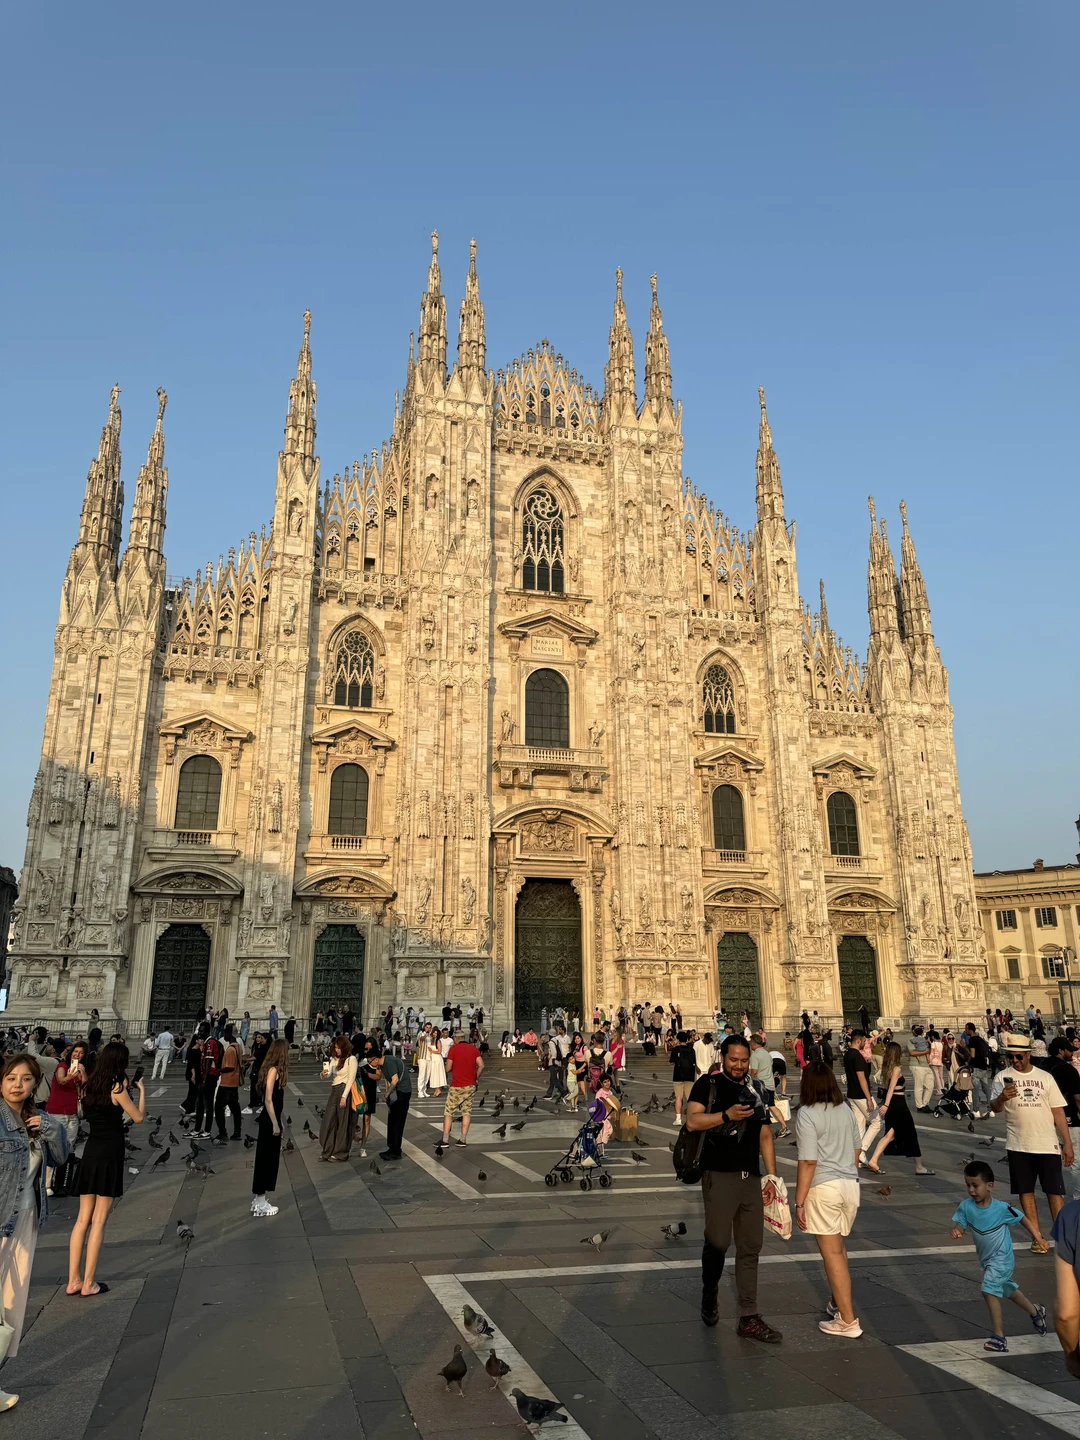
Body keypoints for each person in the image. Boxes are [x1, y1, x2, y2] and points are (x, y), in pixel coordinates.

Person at [685, 1034, 782, 1344]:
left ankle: (748, 1315)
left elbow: (765, 1135)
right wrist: (725, 1116)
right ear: (723, 1057)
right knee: (717, 1243)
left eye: (743, 1060)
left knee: (751, 1245)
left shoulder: (756, 1090)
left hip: (750, 1178)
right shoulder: (708, 1085)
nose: (739, 1065)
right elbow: (692, 1122)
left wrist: (773, 1177)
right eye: (734, 1060)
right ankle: (710, 1291)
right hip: (719, 1175)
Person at [0, 1055, 69, 1407]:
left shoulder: (35, 1119)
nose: (17, 1084)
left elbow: (59, 1159)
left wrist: (49, 1127)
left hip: (26, 1219)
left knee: (12, 1305)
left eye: (26, 1079)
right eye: (11, 1077)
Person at [69, 1042, 144, 1297]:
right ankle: (89, 1283)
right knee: (99, 1221)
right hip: (110, 1151)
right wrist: (141, 1091)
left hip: (91, 1150)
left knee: (82, 1220)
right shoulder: (116, 1087)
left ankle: (73, 1280)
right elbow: (138, 1117)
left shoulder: (88, 1086)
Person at [795, 1060, 863, 1337]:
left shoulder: (807, 1114)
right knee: (839, 1247)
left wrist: (799, 1201)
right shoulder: (845, 1109)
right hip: (850, 1184)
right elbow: (857, 1149)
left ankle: (848, 1320)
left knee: (831, 1252)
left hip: (824, 1187)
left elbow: (809, 1161)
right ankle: (838, 1302)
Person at [951, 1160, 1047, 1352]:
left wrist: (1038, 1237)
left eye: (975, 1185)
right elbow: (961, 1222)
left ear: (990, 1186)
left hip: (1002, 1258)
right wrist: (958, 1230)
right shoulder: (966, 1206)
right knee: (1007, 1289)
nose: (971, 1190)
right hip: (986, 1260)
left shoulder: (1002, 1209)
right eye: (968, 1185)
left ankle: (999, 1338)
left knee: (988, 1289)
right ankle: (1036, 1312)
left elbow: (1022, 1219)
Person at [990, 1032, 1073, 1252]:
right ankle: (1037, 1237)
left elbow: (1057, 1111)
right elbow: (995, 1108)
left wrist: (1067, 1143)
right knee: (1025, 1191)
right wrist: (1002, 1098)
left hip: (1047, 1143)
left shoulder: (1045, 1077)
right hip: (1018, 1143)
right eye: (1011, 1058)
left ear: (1028, 1055)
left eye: (1019, 1057)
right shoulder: (1001, 1077)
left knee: (1054, 1192)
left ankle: (1062, 1237)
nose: (1015, 1061)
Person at [866, 1042, 934, 1177]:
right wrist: (886, 1105)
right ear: (896, 1053)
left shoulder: (886, 1068)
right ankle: (919, 1167)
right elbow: (891, 1088)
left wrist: (886, 1104)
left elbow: (887, 1088)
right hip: (898, 1104)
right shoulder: (896, 1069)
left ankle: (874, 1160)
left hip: (893, 1104)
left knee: (890, 1135)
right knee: (910, 1133)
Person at [251, 1039, 288, 1217]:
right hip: (268, 1120)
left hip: (271, 1118)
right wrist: (275, 1122)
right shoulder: (273, 1071)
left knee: (268, 1158)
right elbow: (268, 1099)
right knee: (267, 1160)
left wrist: (279, 1121)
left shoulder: (272, 1070)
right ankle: (260, 1201)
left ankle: (259, 1199)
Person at [45, 1041, 86, 1192]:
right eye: (76, 1052)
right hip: (57, 1111)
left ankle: (61, 1181)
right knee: (54, 1146)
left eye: (81, 1053)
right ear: (70, 1053)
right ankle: (47, 1183)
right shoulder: (62, 1066)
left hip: (72, 1113)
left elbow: (84, 1089)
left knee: (68, 1147)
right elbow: (62, 1081)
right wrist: (72, 1076)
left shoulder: (80, 1069)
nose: (78, 1055)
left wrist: (83, 1074)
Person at [439, 1032, 484, 1148]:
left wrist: (445, 1068)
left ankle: (445, 1140)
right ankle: (463, 1140)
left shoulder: (453, 1049)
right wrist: (475, 1077)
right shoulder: (473, 1049)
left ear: (455, 1039)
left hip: (456, 1086)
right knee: (466, 1112)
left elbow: (448, 1068)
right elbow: (481, 1065)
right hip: (470, 1086)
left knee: (449, 1112)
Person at [842, 1030, 880, 1163]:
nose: (865, 1043)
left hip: (851, 1093)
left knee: (860, 1124)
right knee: (876, 1122)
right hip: (861, 1094)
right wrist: (869, 1098)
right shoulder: (857, 1056)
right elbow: (862, 1078)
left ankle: (855, 1153)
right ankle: (862, 1151)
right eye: (864, 1041)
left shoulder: (847, 1055)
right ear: (858, 1041)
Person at [319, 1036, 358, 1162]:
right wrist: (323, 1074)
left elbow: (351, 1079)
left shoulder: (351, 1059)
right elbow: (329, 1073)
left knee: (343, 1122)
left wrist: (344, 1096)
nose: (336, 1050)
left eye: (338, 1048)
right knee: (329, 1120)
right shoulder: (334, 1059)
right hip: (334, 1090)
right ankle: (328, 1149)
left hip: (343, 1090)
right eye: (335, 1048)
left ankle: (340, 1153)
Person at [749, 1034, 790, 1139]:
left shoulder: (755, 1055)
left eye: (750, 1043)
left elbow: (754, 1072)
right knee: (771, 1105)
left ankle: (759, 1130)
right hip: (770, 1084)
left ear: (753, 1043)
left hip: (760, 1085)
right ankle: (784, 1126)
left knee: (757, 1107)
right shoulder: (767, 1054)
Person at [380, 1044, 413, 1160]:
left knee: (397, 1122)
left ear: (374, 1058)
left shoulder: (389, 1062)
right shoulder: (383, 1064)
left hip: (402, 1092)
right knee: (392, 1121)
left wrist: (387, 1094)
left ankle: (396, 1151)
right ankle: (391, 1148)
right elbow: (387, 1080)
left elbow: (394, 1080)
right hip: (397, 1093)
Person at [214, 1025, 245, 1141]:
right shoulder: (238, 1047)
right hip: (234, 1082)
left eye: (226, 1032)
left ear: (229, 1034)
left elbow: (230, 1067)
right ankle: (237, 1132)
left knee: (218, 1108)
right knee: (235, 1108)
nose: (224, 1035)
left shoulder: (231, 1049)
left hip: (227, 1083)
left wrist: (219, 1070)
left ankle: (223, 1132)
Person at [195, 1030, 222, 1138]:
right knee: (201, 1103)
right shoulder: (208, 1043)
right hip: (207, 1077)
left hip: (210, 1076)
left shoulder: (210, 1043)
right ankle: (199, 1129)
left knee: (208, 1104)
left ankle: (207, 1130)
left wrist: (204, 1079)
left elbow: (209, 1061)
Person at [670, 1030, 697, 1128]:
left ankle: (678, 1119)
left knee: (678, 1097)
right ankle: (691, 1117)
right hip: (689, 1075)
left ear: (678, 1039)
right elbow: (694, 1061)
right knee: (690, 1098)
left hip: (678, 1075)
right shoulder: (691, 1050)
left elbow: (672, 1061)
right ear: (687, 1039)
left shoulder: (676, 1049)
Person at [908, 1026, 934, 1113]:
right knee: (919, 1086)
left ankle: (925, 1103)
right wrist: (925, 1052)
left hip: (926, 1065)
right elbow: (912, 1052)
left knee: (930, 1085)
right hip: (917, 1065)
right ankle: (919, 1106)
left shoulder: (923, 1040)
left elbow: (930, 1049)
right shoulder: (911, 1040)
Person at [244, 1032, 269, 1115]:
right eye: (258, 1037)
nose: (259, 1039)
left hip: (260, 1069)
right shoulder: (258, 1046)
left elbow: (257, 1057)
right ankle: (258, 1102)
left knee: (260, 1086)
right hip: (258, 1068)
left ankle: (258, 1103)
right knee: (257, 1086)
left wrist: (245, 1060)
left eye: (261, 1038)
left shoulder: (265, 1048)